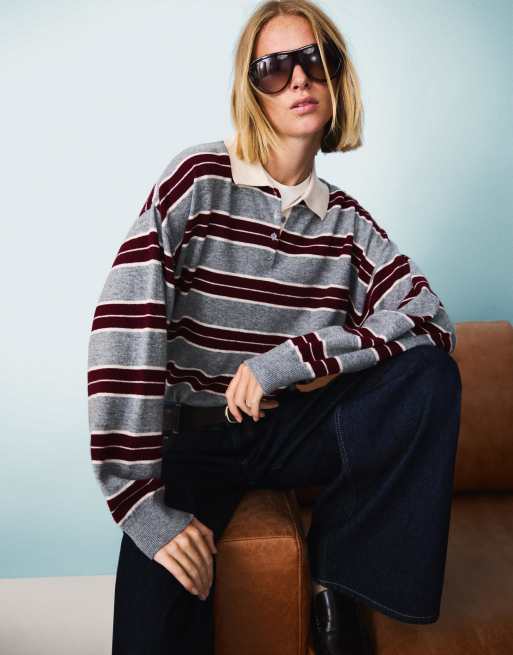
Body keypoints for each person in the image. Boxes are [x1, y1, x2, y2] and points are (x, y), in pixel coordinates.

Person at [87, 1, 462, 653]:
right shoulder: (198, 180)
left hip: (287, 432)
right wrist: (137, 498)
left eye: (314, 60)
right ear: (251, 88)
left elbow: (431, 318)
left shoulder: (349, 225)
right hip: (194, 439)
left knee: (428, 375)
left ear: (336, 77)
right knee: (152, 637)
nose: (299, 79)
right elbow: (125, 318)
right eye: (274, 67)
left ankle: (338, 585)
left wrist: (296, 358)